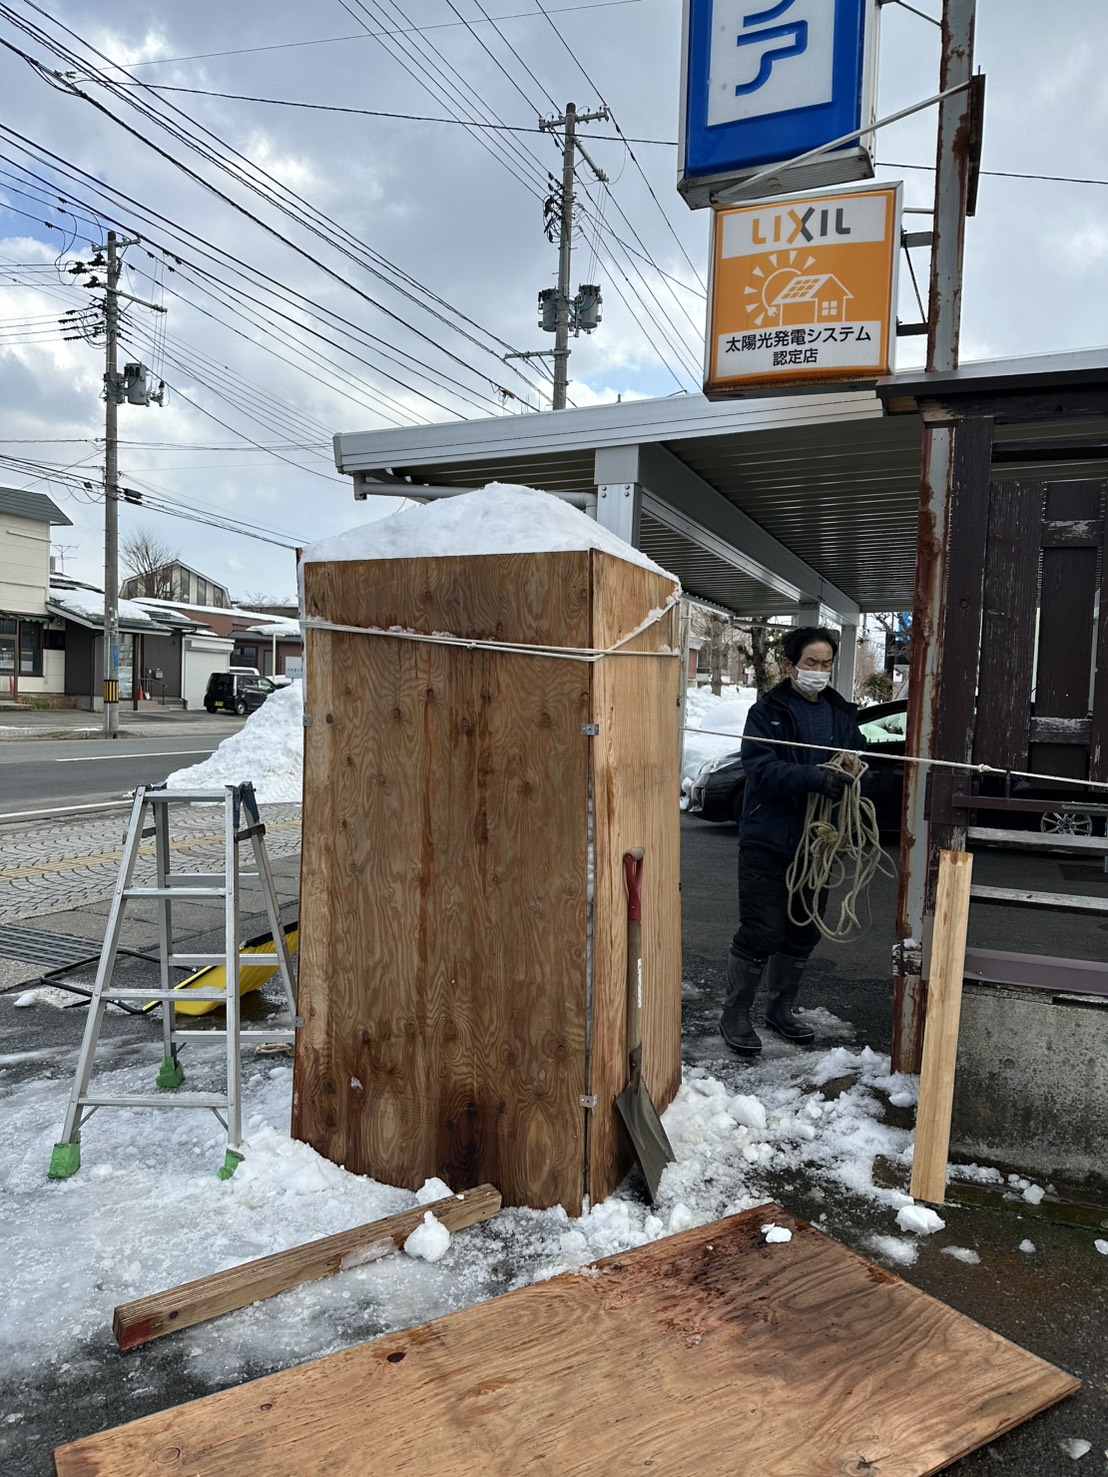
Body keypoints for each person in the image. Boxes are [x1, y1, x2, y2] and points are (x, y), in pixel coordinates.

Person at [720, 626, 867, 1057]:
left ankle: (780, 1010)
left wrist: (855, 770)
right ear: (790, 665)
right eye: (811, 664)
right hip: (768, 840)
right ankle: (735, 1014)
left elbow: (859, 756)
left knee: (802, 932)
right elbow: (761, 772)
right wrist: (816, 778)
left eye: (826, 664)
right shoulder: (767, 713)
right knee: (762, 930)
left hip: (818, 845)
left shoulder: (841, 714)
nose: (819, 672)